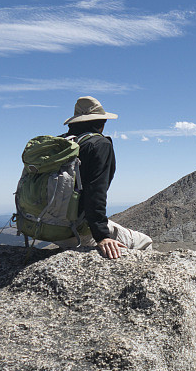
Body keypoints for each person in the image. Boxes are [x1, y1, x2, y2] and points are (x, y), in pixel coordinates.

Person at [55, 96, 153, 259]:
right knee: (144, 242)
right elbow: (95, 193)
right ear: (101, 123)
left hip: (44, 225)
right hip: (73, 229)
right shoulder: (99, 145)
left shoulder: (60, 144)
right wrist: (102, 236)